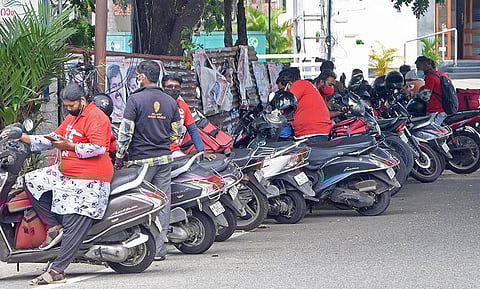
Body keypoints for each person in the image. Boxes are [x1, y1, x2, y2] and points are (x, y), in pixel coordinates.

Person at [18, 83, 113, 285]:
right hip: (66, 173)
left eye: (71, 105)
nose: (68, 109)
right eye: (66, 106)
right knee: (31, 180)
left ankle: (58, 270)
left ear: (83, 100)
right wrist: (23, 138)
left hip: (90, 178)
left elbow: (98, 148)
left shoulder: (97, 117)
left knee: (73, 218)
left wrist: (70, 146)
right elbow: (53, 139)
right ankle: (53, 226)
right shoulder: (72, 118)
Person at [115, 60, 180, 261]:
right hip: (164, 159)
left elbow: (126, 132)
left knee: (141, 204)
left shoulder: (135, 100)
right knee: (162, 203)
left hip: (141, 162)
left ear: (143, 76)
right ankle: (160, 249)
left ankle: (144, 247)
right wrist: (161, 141)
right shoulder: (170, 101)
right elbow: (177, 133)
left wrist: (119, 157)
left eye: (137, 75)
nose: (136, 78)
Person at [277, 67, 332, 143]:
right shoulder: (306, 85)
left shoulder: (299, 84)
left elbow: (284, 104)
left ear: (289, 84)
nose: (282, 94)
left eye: (282, 90)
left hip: (313, 134)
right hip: (316, 133)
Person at [161, 74, 205, 158]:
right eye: (170, 86)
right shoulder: (157, 104)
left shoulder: (182, 105)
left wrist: (201, 152)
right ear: (163, 88)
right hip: (158, 150)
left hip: (174, 150)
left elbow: (193, 130)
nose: (173, 89)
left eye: (176, 87)